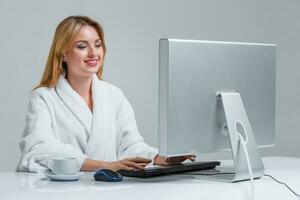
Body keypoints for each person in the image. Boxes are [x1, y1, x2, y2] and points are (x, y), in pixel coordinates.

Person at [17, 16, 195, 172]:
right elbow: (38, 148)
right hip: (62, 191)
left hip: (108, 187)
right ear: (63, 54)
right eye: (82, 46)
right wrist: (105, 165)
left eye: (98, 44)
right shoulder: (44, 97)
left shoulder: (113, 95)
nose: (94, 53)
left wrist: (161, 157)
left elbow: (130, 146)